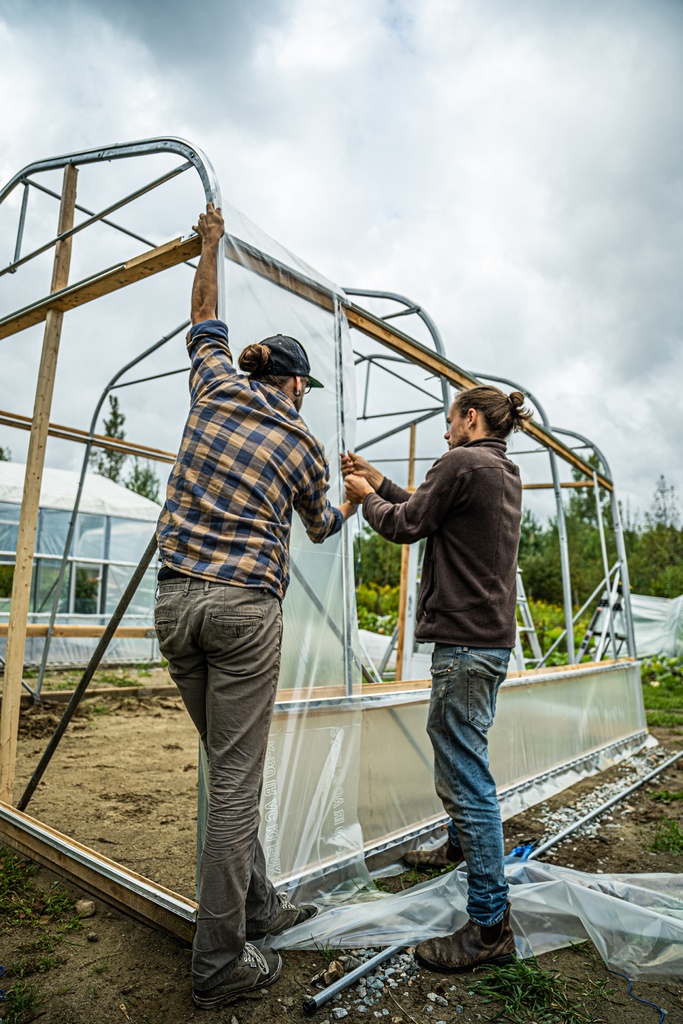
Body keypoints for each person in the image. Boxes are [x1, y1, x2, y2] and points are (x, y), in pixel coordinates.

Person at [155, 203, 356, 1008]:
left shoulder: (213, 384)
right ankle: (217, 965)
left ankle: (260, 905)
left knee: (226, 770)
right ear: (297, 385)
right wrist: (358, 494)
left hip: (174, 608)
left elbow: (203, 315)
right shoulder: (303, 443)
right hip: (242, 614)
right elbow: (318, 528)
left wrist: (209, 246)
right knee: (237, 782)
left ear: (256, 369)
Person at [343, 385, 530, 973]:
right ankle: (457, 848)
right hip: (487, 645)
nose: (445, 430)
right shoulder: (499, 468)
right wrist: (380, 481)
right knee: (463, 760)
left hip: (464, 647)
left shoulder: (461, 461)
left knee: (465, 777)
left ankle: (488, 926)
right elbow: (428, 510)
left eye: (450, 420)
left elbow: (404, 525)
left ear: (469, 418)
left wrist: (363, 496)